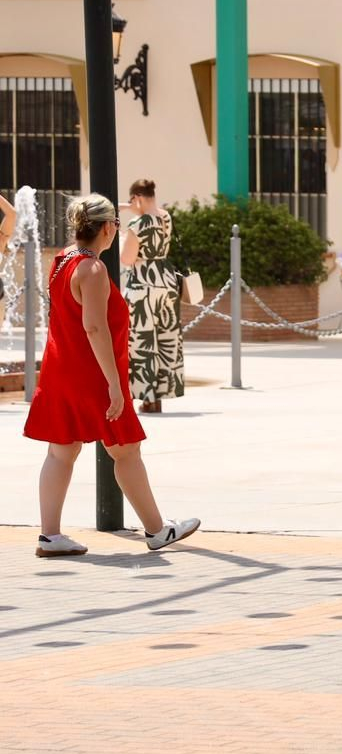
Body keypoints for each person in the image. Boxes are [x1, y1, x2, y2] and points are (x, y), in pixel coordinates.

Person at [23, 194, 201, 557]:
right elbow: (94, 328)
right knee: (126, 450)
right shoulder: (92, 270)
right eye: (115, 226)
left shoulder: (62, 260)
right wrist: (116, 386)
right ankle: (156, 529)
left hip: (61, 370)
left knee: (61, 451)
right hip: (92, 376)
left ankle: (50, 535)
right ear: (107, 227)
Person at [119, 179, 184, 414]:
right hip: (166, 281)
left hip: (143, 283)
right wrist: (131, 207)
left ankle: (147, 397)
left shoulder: (138, 224)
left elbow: (127, 259)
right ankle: (159, 396)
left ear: (137, 197)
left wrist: (125, 229)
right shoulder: (166, 217)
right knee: (165, 338)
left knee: (142, 342)